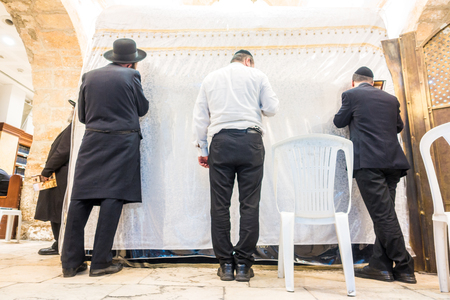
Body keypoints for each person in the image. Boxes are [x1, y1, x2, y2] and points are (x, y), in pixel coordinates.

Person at [61, 38, 149, 277]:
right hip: (122, 142)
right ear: (131, 63)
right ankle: (100, 262)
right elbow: (142, 109)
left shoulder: (88, 76)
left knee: (81, 198)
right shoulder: (132, 77)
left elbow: (81, 116)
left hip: (93, 140)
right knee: (113, 197)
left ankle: (70, 263)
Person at [193, 50, 279, 282]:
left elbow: (200, 116)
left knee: (220, 205)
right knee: (249, 204)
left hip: (220, 143)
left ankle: (225, 265)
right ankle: (243, 264)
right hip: (251, 142)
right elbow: (271, 108)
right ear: (248, 61)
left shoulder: (211, 78)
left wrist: (203, 150)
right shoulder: (258, 75)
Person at [333, 66, 416, 284]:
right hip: (393, 163)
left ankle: (406, 265)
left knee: (382, 215)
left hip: (369, 163)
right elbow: (398, 126)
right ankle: (381, 266)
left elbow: (338, 121)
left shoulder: (351, 95)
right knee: (385, 213)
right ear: (372, 82)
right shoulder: (390, 99)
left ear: (354, 82)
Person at [35, 100, 75, 255]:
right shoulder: (71, 128)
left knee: (56, 210)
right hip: (58, 174)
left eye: (74, 107)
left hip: (59, 175)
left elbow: (62, 152)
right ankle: (59, 242)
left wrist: (46, 171)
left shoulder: (73, 128)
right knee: (54, 210)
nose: (71, 109)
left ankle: (60, 244)